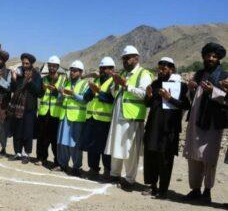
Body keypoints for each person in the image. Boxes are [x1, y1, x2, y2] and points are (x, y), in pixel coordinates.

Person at [183, 42, 228, 203]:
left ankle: (207, 191)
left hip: (213, 123)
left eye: (214, 56)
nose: (211, 58)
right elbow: (191, 97)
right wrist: (192, 88)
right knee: (194, 156)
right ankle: (195, 189)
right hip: (196, 119)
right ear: (203, 57)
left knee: (209, 158)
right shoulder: (198, 74)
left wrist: (213, 91)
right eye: (208, 55)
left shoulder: (224, 76)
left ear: (218, 59)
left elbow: (226, 99)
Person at [105, 45, 152, 190]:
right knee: (116, 145)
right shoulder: (123, 73)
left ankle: (130, 179)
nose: (125, 61)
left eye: (128, 58)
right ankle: (114, 174)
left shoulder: (143, 73)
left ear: (136, 58)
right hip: (119, 115)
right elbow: (114, 93)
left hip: (132, 116)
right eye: (123, 58)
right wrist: (116, 86)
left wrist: (126, 86)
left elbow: (144, 94)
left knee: (130, 151)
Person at [142, 57, 190, 199]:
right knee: (150, 156)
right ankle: (152, 186)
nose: (161, 70)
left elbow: (186, 105)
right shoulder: (155, 83)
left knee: (165, 158)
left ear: (172, 69)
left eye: (165, 68)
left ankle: (163, 190)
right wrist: (149, 96)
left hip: (169, 128)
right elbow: (148, 104)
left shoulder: (180, 86)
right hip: (153, 126)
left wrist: (170, 98)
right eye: (160, 67)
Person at [80, 57, 116, 180]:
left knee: (105, 148)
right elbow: (86, 97)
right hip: (92, 117)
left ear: (112, 70)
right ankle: (93, 169)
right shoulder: (97, 80)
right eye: (101, 68)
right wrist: (91, 90)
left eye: (105, 68)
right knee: (92, 146)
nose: (102, 70)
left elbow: (112, 99)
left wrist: (98, 92)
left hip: (105, 120)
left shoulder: (113, 82)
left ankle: (107, 170)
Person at [8, 53, 42, 164]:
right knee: (17, 130)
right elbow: (13, 89)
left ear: (31, 64)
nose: (24, 65)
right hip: (17, 107)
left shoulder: (36, 75)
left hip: (29, 108)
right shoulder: (19, 72)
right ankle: (17, 152)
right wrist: (13, 79)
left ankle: (26, 154)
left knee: (28, 131)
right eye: (23, 63)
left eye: (27, 63)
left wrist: (30, 81)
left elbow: (39, 92)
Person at [56, 60, 88, 176]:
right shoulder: (66, 83)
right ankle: (63, 164)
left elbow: (85, 99)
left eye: (75, 71)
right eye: (71, 70)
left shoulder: (85, 84)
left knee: (75, 144)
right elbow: (60, 99)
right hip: (64, 116)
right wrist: (60, 93)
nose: (72, 73)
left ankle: (76, 166)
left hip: (77, 118)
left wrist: (73, 94)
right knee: (62, 142)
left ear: (80, 72)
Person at [35, 55, 66, 168]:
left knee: (54, 139)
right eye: (50, 66)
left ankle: (57, 161)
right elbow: (39, 94)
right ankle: (41, 158)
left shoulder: (63, 79)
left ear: (58, 67)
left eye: (54, 66)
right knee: (41, 137)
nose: (52, 68)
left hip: (55, 114)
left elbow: (64, 95)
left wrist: (57, 91)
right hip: (43, 112)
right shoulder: (43, 79)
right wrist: (42, 90)